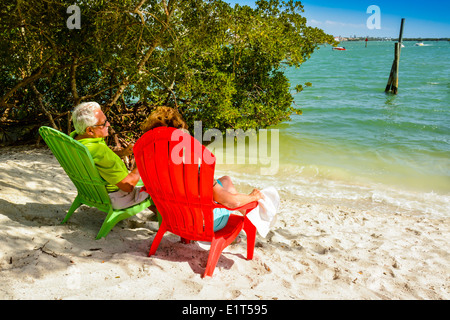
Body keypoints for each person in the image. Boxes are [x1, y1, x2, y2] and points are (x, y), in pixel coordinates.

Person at [141, 106, 264, 232]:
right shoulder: (191, 167)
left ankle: (249, 216)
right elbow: (232, 203)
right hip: (200, 225)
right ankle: (252, 219)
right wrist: (253, 197)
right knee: (227, 194)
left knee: (226, 180)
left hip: (171, 219)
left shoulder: (149, 163)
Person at [71, 102, 150, 210]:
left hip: (90, 192)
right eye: (103, 123)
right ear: (90, 130)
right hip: (115, 197)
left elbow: (99, 158)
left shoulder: (75, 140)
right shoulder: (101, 151)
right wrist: (142, 162)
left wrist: (122, 153)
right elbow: (128, 186)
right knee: (157, 189)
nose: (108, 124)